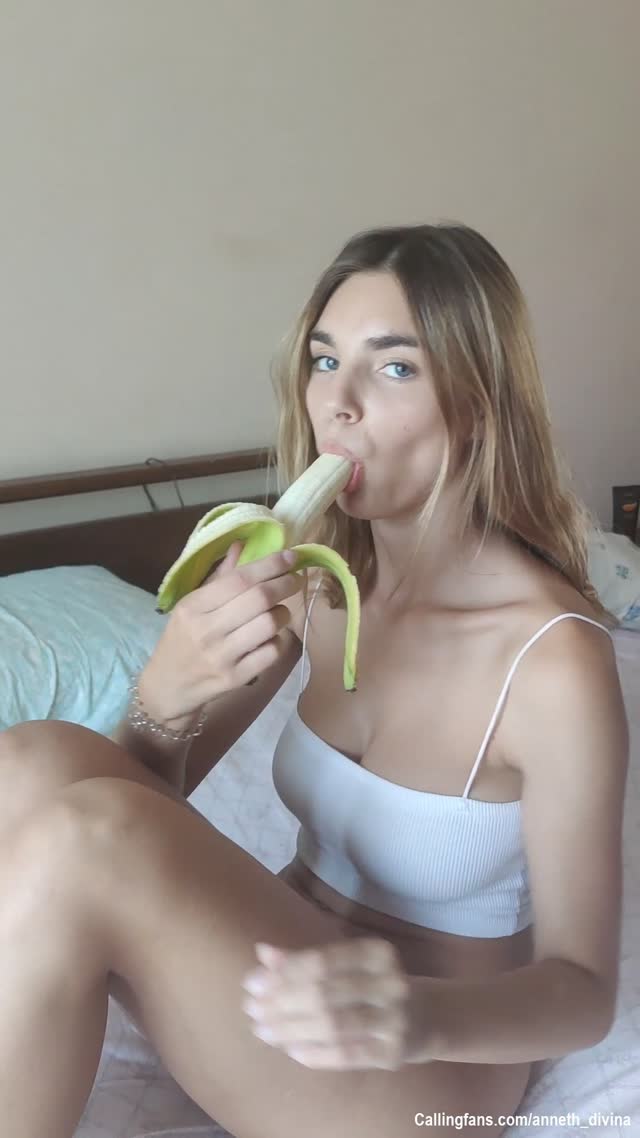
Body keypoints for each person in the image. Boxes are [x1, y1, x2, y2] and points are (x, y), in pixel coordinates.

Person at [0, 223, 629, 1138]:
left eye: (395, 367)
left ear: (478, 403)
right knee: (33, 759)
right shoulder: (317, 582)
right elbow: (147, 792)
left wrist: (412, 1018)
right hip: (280, 983)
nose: (339, 402)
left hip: (423, 1061)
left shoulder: (553, 659)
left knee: (82, 839)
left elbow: (583, 992)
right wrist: (164, 694)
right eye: (325, 361)